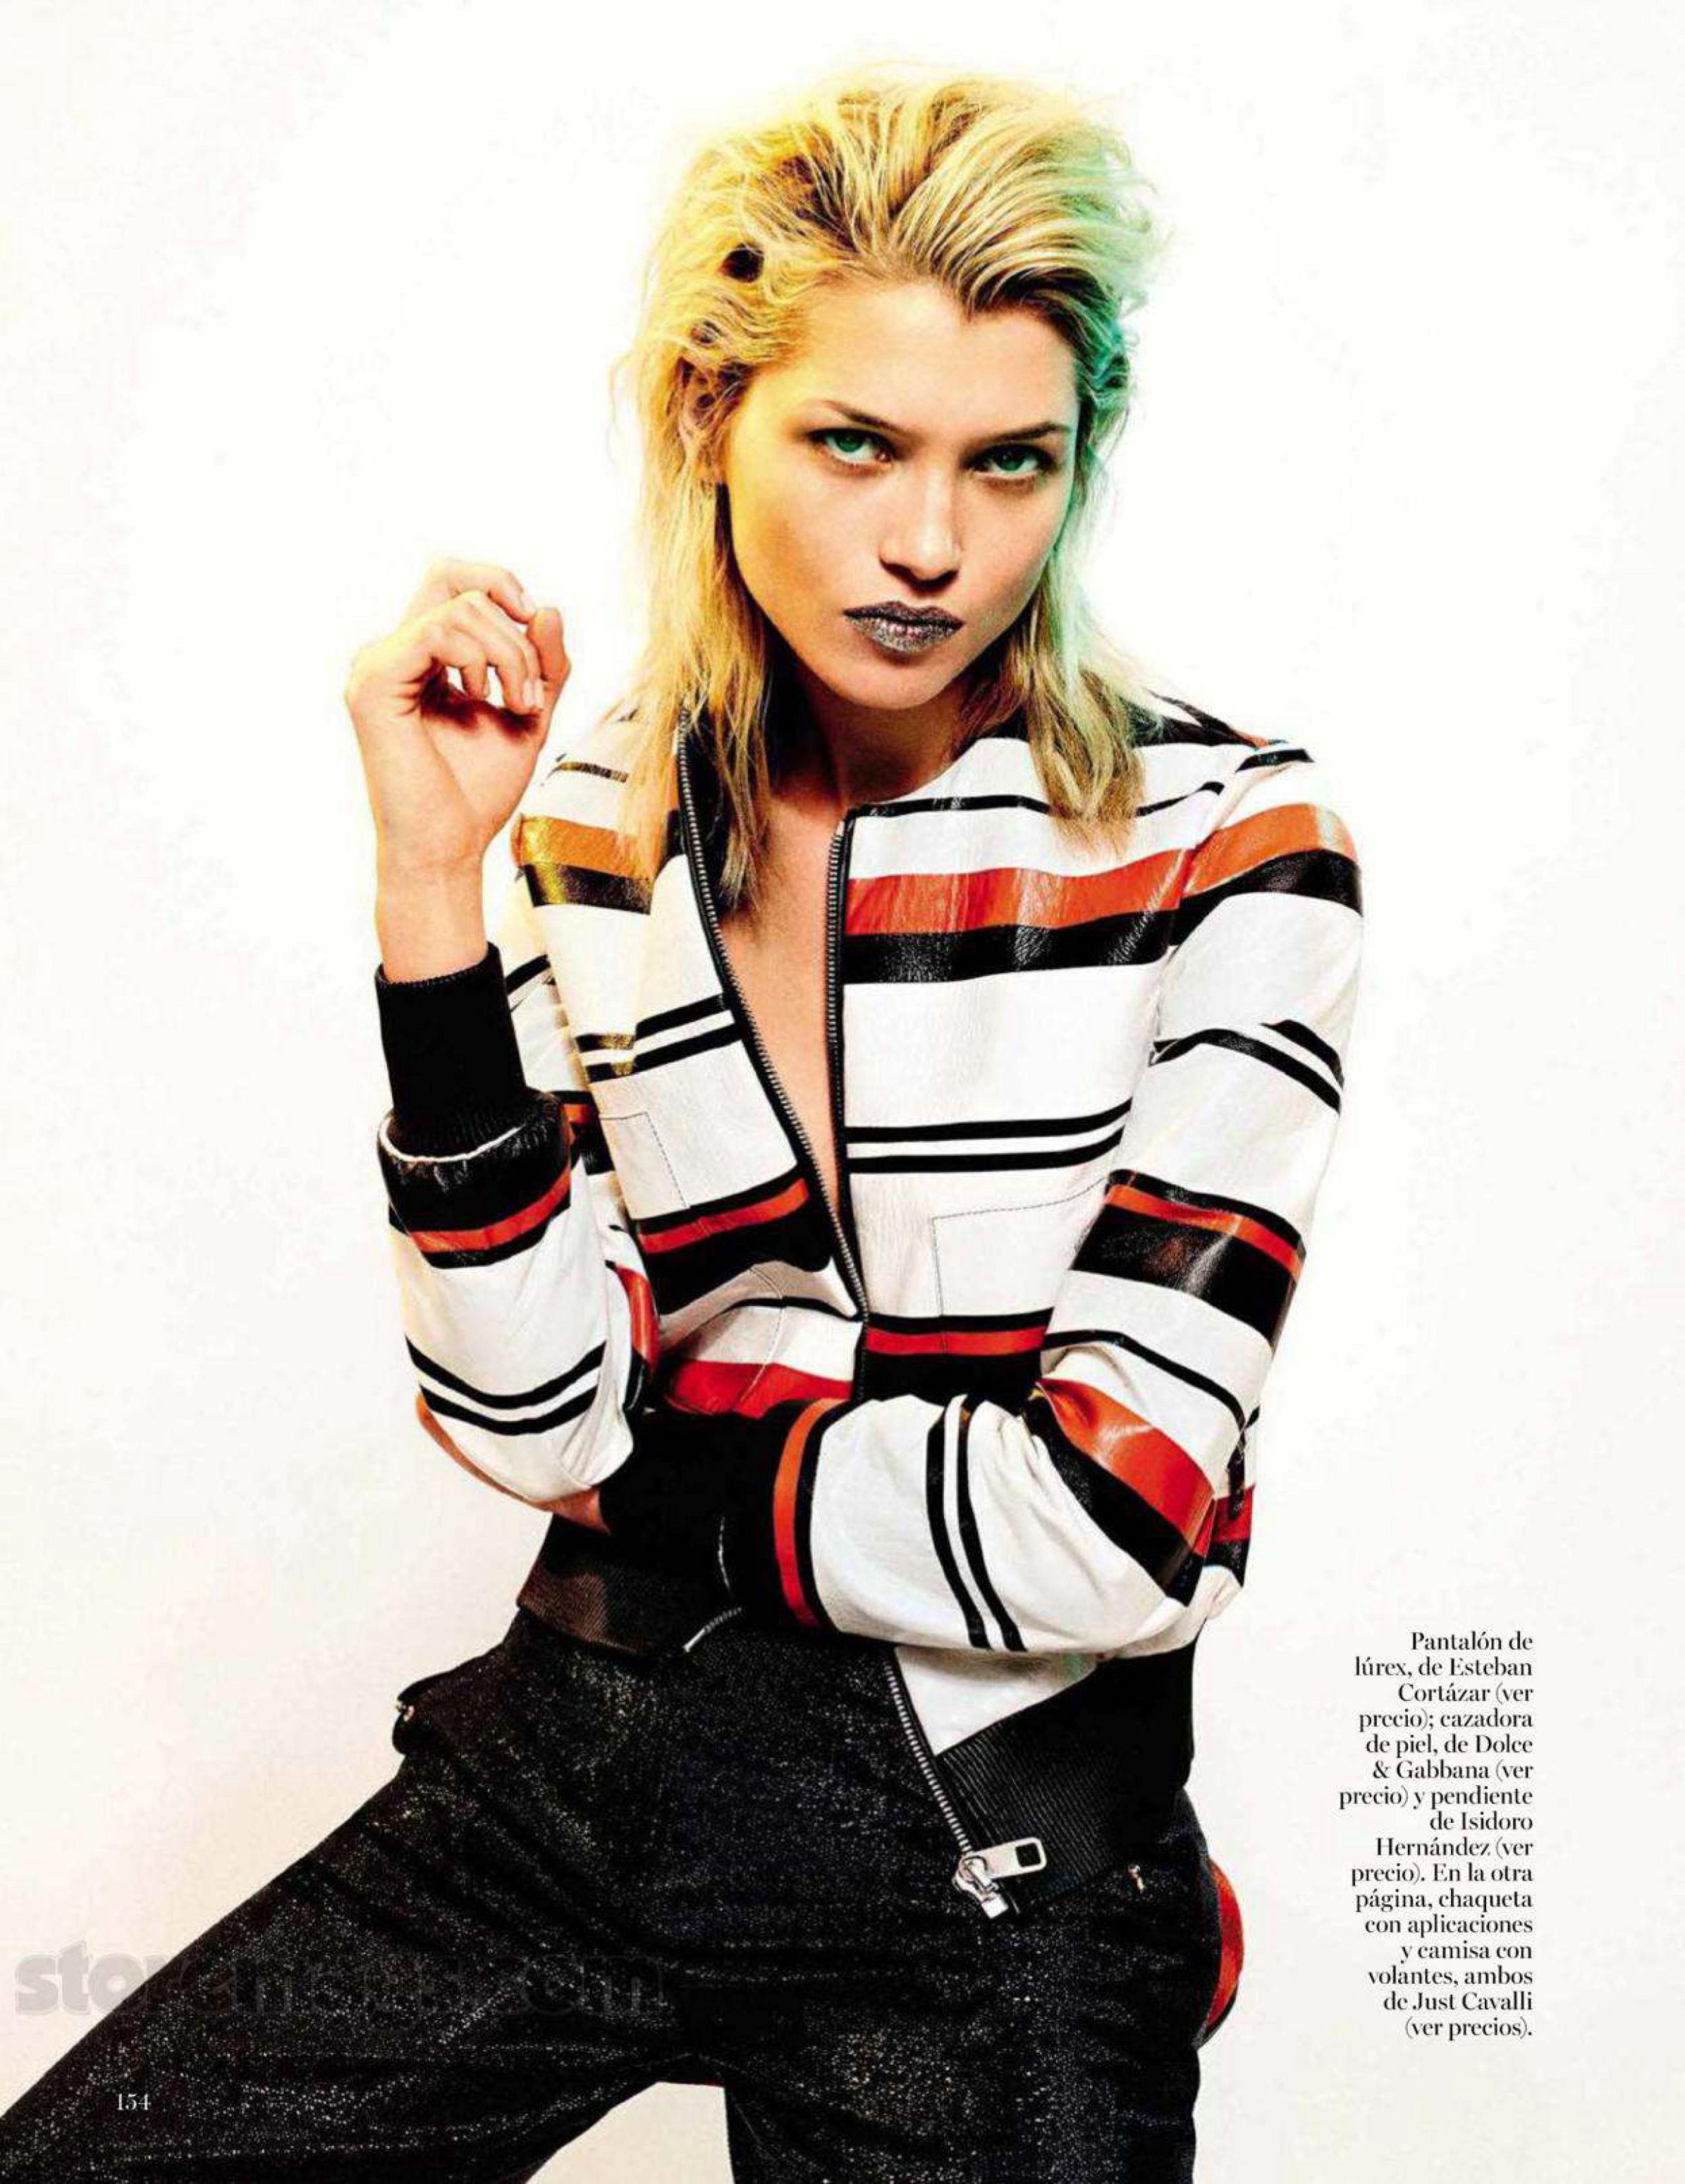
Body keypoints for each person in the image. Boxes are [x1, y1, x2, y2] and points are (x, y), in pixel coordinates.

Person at [0, 62, 1361, 2183]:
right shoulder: (594, 824)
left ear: (1076, 469)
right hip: (576, 1770)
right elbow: (538, 1414)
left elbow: (1108, 1525)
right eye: (857, 443)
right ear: (710, 418)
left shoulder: (1224, 846)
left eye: (1009, 462)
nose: (932, 544)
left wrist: (678, 1471)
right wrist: (432, 893)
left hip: (983, 1860)